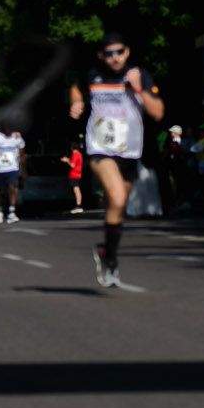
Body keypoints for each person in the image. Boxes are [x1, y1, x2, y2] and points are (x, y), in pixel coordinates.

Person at [69, 33, 164, 289]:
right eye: (108, 53)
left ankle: (107, 254)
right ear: (101, 55)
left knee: (117, 207)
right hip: (100, 149)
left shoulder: (139, 75)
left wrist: (139, 89)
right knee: (118, 197)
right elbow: (76, 87)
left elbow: (157, 113)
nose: (114, 58)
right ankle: (109, 258)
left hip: (130, 152)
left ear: (127, 52)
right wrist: (77, 102)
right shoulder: (93, 74)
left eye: (119, 52)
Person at [0, 126, 25, 223]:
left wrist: (22, 170)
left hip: (13, 169)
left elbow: (22, 154)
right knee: (0, 191)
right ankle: (0, 211)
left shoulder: (17, 138)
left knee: (12, 188)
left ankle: (12, 212)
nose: (8, 130)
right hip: (0, 169)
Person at [61, 144, 85, 214]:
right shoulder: (79, 154)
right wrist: (68, 159)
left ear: (71, 148)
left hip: (74, 174)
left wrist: (66, 160)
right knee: (76, 189)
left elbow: (72, 165)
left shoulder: (75, 154)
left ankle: (78, 206)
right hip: (77, 174)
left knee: (76, 190)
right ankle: (78, 205)